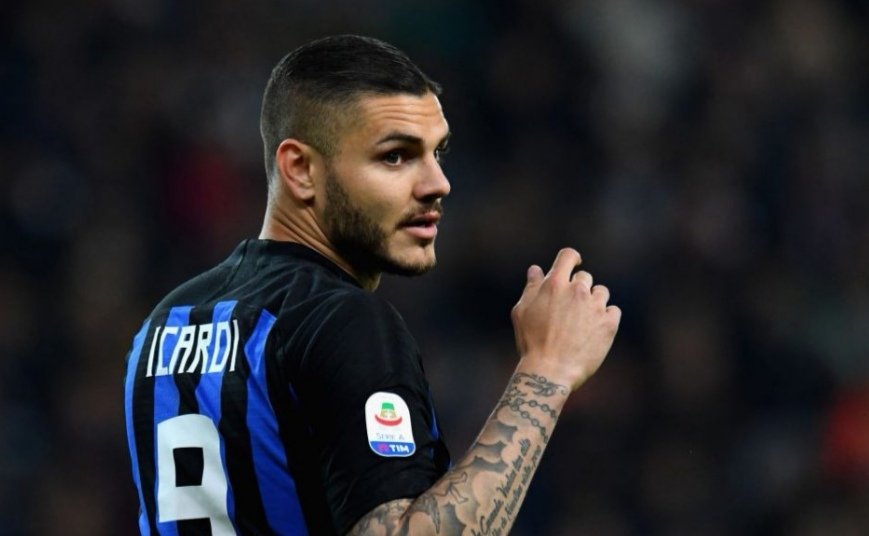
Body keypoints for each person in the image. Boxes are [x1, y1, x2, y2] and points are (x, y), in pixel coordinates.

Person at [123, 34, 621, 535]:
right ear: (300, 169)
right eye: (395, 157)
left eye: (437, 153)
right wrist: (546, 371)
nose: (438, 183)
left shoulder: (163, 326)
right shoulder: (341, 320)